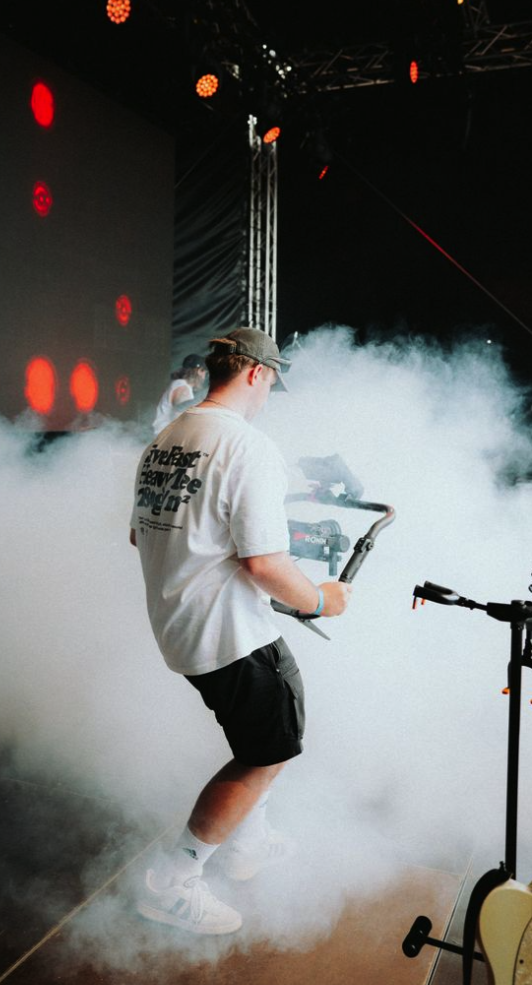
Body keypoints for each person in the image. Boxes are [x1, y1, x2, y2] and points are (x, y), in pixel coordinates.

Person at [129, 326, 352, 935]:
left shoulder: (167, 438)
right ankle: (171, 882)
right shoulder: (247, 446)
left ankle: (249, 844)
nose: (272, 388)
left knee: (259, 740)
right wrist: (320, 601)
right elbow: (263, 563)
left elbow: (141, 533)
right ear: (256, 372)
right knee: (268, 752)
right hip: (231, 636)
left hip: (179, 626)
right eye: (274, 378)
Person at [151, 354, 208, 435]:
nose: (204, 376)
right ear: (198, 371)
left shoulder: (179, 384)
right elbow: (178, 415)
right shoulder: (183, 387)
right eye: (204, 371)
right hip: (165, 437)